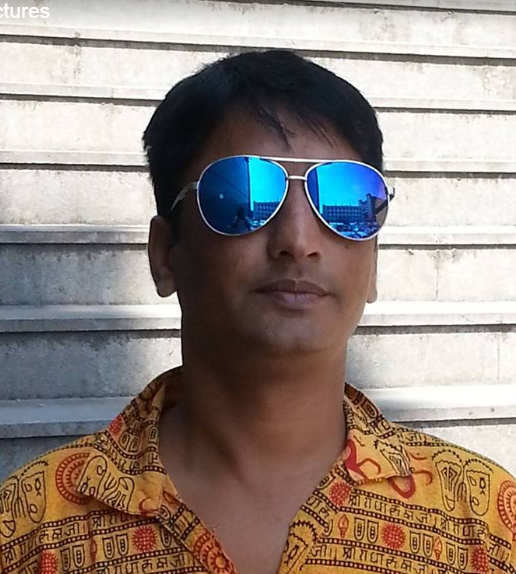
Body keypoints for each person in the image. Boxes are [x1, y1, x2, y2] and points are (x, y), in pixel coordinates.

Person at [1, 50, 515, 574]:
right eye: (244, 194)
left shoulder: (487, 524)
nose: (298, 240)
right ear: (165, 255)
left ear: (374, 263)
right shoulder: (29, 529)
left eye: (346, 200)